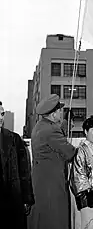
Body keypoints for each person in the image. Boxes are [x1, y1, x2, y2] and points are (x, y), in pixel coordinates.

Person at [29, 94, 76, 229]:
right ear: (54, 113)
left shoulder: (39, 127)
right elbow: (70, 153)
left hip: (40, 182)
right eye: (60, 110)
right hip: (52, 185)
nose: (61, 113)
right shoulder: (52, 129)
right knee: (55, 220)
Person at [0, 101, 34, 229]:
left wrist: (27, 198)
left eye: (2, 114)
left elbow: (24, 171)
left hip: (12, 202)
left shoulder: (14, 139)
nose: (1, 118)